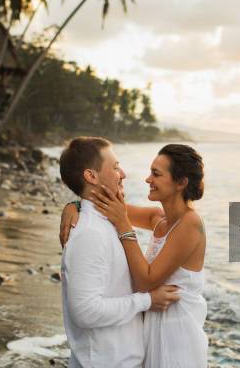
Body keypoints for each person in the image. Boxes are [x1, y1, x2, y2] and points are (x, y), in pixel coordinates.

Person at [61, 144, 208, 368]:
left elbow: (145, 281)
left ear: (181, 183)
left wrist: (123, 226)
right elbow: (103, 204)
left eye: (156, 174)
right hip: (150, 331)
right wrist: (74, 205)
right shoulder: (159, 218)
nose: (148, 179)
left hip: (176, 337)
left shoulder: (191, 223)